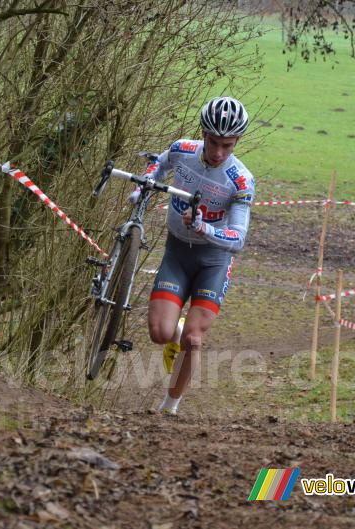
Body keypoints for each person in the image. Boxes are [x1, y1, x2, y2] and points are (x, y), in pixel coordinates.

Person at [130, 96, 255, 415]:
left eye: (227, 145)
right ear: (203, 133)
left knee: (194, 340)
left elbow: (239, 237)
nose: (218, 152)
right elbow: (157, 166)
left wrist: (206, 229)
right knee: (159, 334)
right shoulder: (182, 150)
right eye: (213, 142)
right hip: (177, 254)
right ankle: (178, 327)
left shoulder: (240, 180)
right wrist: (143, 187)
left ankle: (169, 408)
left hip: (212, 261)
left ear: (237, 141)